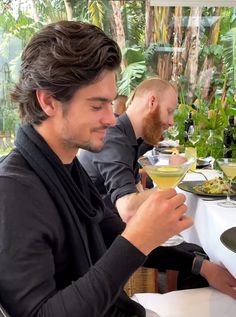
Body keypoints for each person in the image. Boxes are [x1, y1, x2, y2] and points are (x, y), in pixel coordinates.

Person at [0, 20, 196, 317]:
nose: (111, 118)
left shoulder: (68, 170)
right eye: (97, 105)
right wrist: (137, 240)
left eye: (111, 103)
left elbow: (114, 232)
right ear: (49, 101)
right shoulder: (13, 191)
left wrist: (200, 265)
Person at [79, 78, 236, 296]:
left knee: (199, 254)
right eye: (170, 111)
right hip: (98, 253)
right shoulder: (114, 138)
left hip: (113, 236)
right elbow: (128, 210)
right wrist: (171, 182)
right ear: (152, 102)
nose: (172, 122)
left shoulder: (130, 140)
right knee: (201, 260)